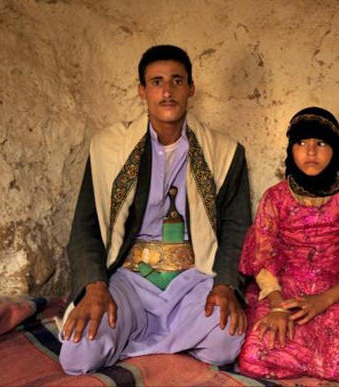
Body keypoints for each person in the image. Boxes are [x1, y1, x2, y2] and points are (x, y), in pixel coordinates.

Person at [59, 45, 251, 375]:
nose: (166, 91)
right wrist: (94, 286)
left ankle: (133, 346)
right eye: (156, 81)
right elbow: (85, 227)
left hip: (193, 279)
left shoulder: (225, 151)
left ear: (191, 88)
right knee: (79, 354)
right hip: (129, 278)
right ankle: (164, 345)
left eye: (177, 81)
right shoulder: (109, 147)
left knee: (225, 341)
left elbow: (237, 226)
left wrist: (225, 286)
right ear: (142, 91)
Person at [237, 107, 339, 383]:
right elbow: (261, 256)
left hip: (334, 290)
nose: (310, 152)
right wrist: (278, 306)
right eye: (301, 143)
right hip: (283, 290)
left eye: (320, 143)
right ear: (291, 150)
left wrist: (323, 301)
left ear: (335, 150)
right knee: (252, 359)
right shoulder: (275, 197)